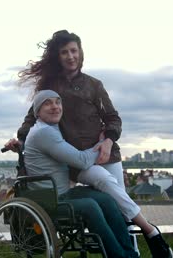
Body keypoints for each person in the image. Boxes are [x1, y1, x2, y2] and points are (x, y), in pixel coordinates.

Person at [5, 30, 173, 257]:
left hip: (107, 154)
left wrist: (107, 141)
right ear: (58, 56)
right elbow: (33, 118)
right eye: (64, 52)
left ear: (81, 53)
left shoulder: (94, 85)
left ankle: (136, 249)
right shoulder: (51, 88)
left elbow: (113, 118)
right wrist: (21, 140)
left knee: (121, 210)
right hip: (78, 160)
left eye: (74, 50)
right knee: (103, 194)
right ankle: (144, 235)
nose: (70, 56)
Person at [23, 90, 138, 258]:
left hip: (62, 193)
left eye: (57, 102)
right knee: (90, 206)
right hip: (49, 201)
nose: (55, 107)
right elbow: (82, 161)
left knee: (106, 199)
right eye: (47, 103)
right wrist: (103, 142)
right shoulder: (43, 132)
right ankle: (118, 255)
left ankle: (129, 254)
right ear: (37, 112)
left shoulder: (51, 129)